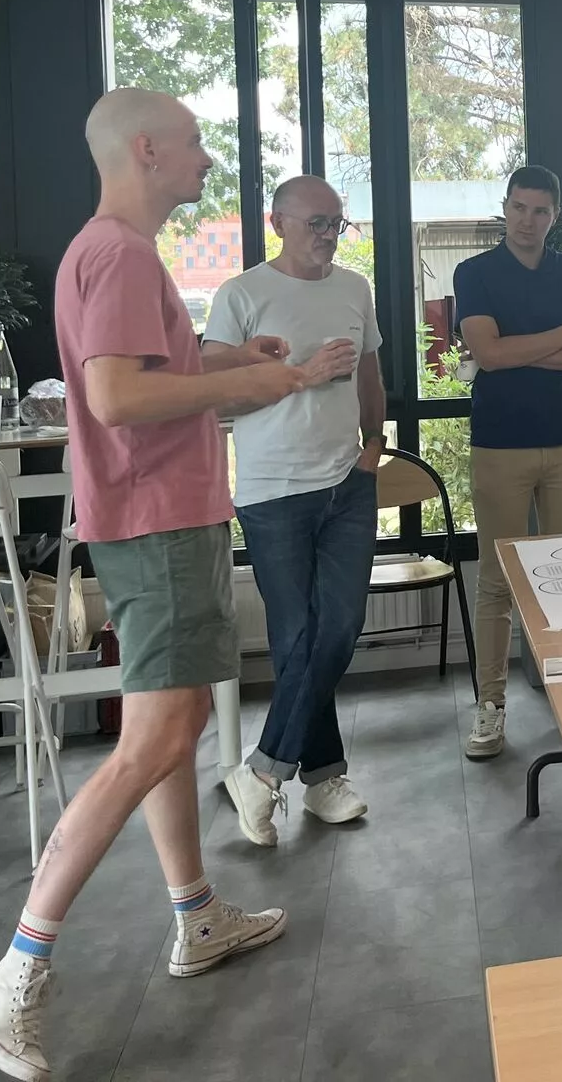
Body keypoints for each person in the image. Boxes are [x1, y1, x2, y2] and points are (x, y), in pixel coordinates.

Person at [0, 90, 341, 1082]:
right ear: (146, 150)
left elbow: (149, 366)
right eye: (195, 144)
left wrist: (229, 356)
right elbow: (116, 395)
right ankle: (15, 971)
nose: (207, 159)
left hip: (165, 517)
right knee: (152, 742)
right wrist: (248, 385)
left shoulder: (114, 251)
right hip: (157, 520)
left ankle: (196, 914)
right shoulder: (121, 254)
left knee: (174, 728)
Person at [205, 176, 386, 840]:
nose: (327, 235)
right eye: (315, 223)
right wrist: (301, 376)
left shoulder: (355, 289)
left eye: (336, 223)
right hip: (273, 491)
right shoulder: (241, 294)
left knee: (339, 626)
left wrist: (374, 444)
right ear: (277, 222)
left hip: (347, 483)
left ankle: (261, 772)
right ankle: (322, 775)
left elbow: (371, 373)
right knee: (299, 638)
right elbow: (219, 396)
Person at [452, 165, 562, 761]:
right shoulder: (475, 273)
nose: (527, 220)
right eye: (518, 207)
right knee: (497, 582)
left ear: (554, 216)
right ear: (505, 207)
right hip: (499, 445)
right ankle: (490, 706)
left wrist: (517, 350)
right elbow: (487, 354)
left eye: (539, 210)